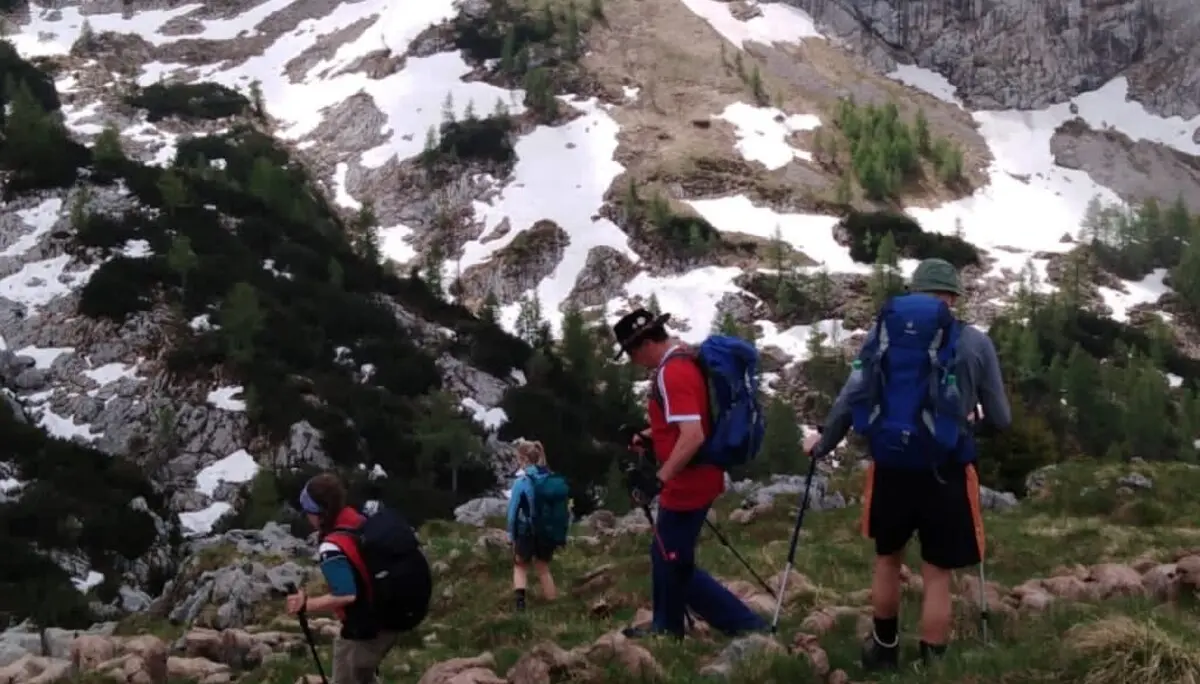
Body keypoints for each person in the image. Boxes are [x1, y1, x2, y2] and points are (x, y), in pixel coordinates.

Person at [803, 258, 1011, 670]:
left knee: (888, 560)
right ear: (951, 297)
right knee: (936, 573)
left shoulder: (883, 334)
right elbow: (1002, 419)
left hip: (890, 466)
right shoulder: (974, 342)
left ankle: (883, 650)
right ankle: (932, 664)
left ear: (914, 292)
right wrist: (973, 423)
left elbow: (852, 395)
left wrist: (824, 443)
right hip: (946, 467)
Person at [611, 307, 769, 639]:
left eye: (630, 353)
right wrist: (649, 436)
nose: (632, 361)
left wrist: (659, 478)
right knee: (666, 555)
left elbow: (693, 435)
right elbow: (687, 421)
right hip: (697, 476)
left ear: (643, 345)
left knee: (674, 562)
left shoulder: (671, 374)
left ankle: (746, 625)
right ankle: (667, 626)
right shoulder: (685, 359)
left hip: (688, 482)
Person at [287, 472, 431, 684]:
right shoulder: (357, 519)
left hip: (372, 620)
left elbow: (346, 595)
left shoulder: (331, 546)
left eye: (308, 511)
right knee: (354, 665)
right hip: (390, 608)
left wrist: (306, 604)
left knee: (352, 673)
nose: (307, 516)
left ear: (319, 513)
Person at [506, 439, 561, 611]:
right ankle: (553, 603)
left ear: (523, 460)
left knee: (520, 565)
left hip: (526, 530)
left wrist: (512, 536)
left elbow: (513, 512)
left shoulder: (521, 482)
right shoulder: (551, 480)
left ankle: (520, 603)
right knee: (543, 568)